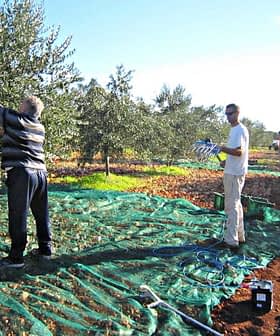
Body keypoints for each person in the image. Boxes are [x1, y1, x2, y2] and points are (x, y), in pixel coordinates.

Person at [0, 96, 52, 268]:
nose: (17, 106)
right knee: (41, 213)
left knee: (18, 213)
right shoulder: (39, 127)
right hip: (41, 174)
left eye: (20, 104)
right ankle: (45, 250)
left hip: (23, 173)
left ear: (25, 108)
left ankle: (16, 258)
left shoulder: (17, 119)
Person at [219, 103, 249, 248]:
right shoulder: (235, 130)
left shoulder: (239, 130)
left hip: (234, 174)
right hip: (233, 170)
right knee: (236, 203)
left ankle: (231, 240)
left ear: (237, 113)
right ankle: (240, 235)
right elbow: (235, 153)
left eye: (230, 114)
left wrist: (222, 148)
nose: (228, 117)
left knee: (231, 206)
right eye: (226, 114)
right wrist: (226, 162)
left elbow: (239, 152)